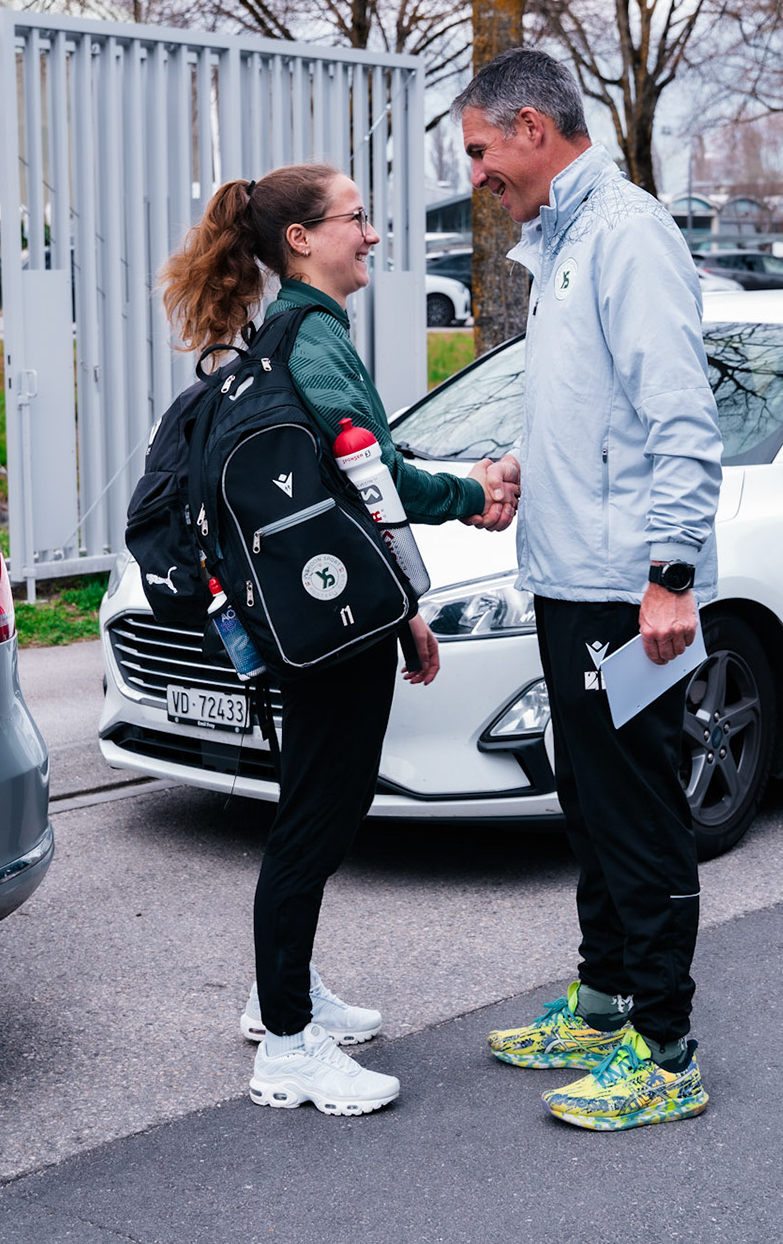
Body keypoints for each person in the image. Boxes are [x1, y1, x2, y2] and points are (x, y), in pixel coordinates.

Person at [159, 163, 519, 1117]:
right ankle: (285, 1044)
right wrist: (474, 495)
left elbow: (342, 493)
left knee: (312, 807)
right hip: (326, 632)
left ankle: (282, 989)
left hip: (315, 617)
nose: (371, 233)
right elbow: (383, 481)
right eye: (357, 218)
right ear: (301, 240)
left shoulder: (281, 334)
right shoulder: (311, 339)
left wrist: (400, 603)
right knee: (319, 815)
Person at [457, 50, 723, 1131]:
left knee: (641, 812)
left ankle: (664, 1051)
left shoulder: (625, 234)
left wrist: (670, 574)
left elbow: (680, 420)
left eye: (480, 150)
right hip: (572, 580)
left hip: (626, 592)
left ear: (530, 127)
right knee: (592, 802)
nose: (477, 173)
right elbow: (596, 409)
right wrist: (534, 465)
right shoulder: (562, 243)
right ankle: (606, 1001)